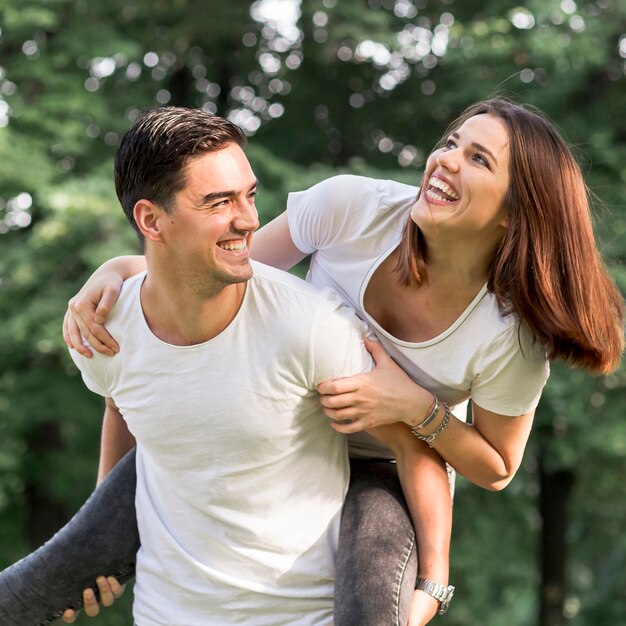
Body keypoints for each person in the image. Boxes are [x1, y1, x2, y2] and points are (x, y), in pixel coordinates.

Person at [5, 97, 625, 624]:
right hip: (283, 427)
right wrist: (123, 270)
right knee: (43, 579)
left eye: (478, 160)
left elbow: (494, 468)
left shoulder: (508, 333)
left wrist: (412, 406)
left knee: (373, 603)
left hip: (387, 461)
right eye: (452, 142)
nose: (445, 162)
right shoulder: (353, 209)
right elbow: (221, 271)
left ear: (516, 209)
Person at [0, 106, 447, 626]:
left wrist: (432, 588)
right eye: (219, 202)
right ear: (151, 220)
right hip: (165, 614)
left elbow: (412, 449)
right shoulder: (105, 330)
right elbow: (123, 407)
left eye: (249, 195)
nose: (249, 219)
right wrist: (99, 543)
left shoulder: (310, 328)